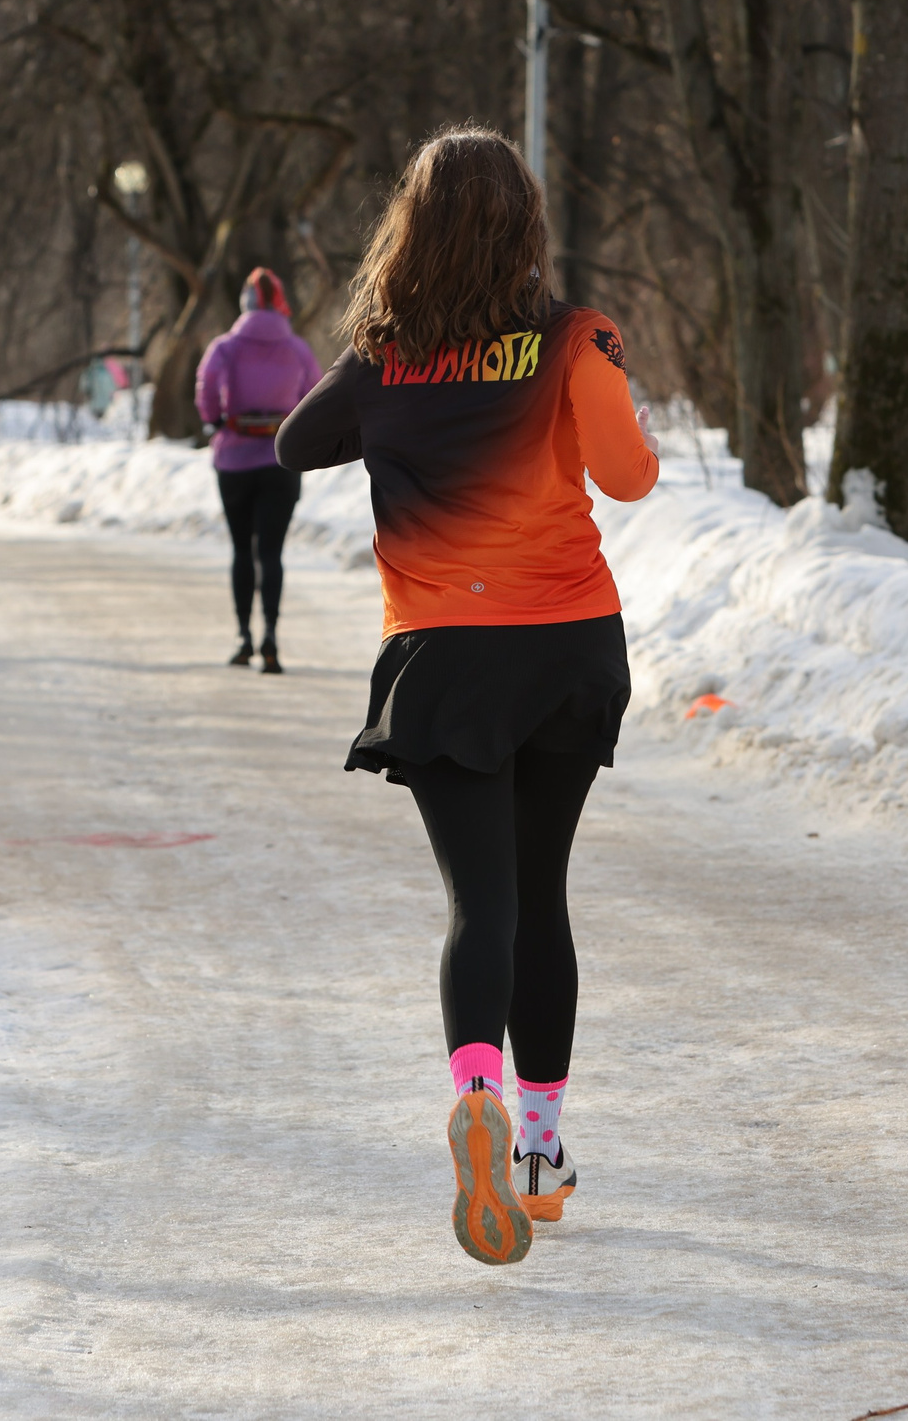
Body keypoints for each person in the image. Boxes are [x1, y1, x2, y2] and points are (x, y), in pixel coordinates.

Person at [276, 126, 659, 1267]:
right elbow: (628, 477)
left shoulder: (383, 359)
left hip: (443, 655)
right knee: (544, 896)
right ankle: (537, 1153)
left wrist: (383, 381)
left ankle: (475, 1089)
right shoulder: (572, 341)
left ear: (411, 233)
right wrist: (600, 367)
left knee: (477, 905)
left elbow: (296, 446)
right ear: (526, 229)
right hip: (566, 647)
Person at [195, 268, 322, 672]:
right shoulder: (297, 348)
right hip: (281, 462)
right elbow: (317, 391)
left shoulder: (225, 347)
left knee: (240, 549)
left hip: (233, 459)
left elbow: (206, 383)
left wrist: (214, 419)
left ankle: (242, 636)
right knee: (271, 551)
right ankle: (270, 636)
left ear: (245, 303)